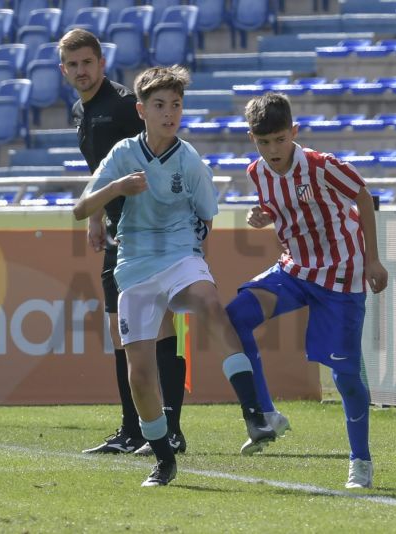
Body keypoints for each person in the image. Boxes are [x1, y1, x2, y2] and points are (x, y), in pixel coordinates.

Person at [73, 65, 276, 487]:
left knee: (210, 305)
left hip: (181, 255)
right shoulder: (123, 154)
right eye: (160, 105)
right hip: (134, 265)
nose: (170, 113)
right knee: (141, 372)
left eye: (176, 105)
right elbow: (81, 208)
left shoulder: (191, 161)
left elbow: (206, 217)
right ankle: (164, 460)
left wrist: (198, 261)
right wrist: (117, 190)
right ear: (141, 110)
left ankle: (254, 413)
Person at [225, 92, 388, 489]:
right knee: (234, 316)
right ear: (252, 139)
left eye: (280, 139)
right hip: (295, 269)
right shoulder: (256, 173)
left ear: (293, 133)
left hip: (340, 276)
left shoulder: (322, 166)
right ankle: (266, 414)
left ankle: (360, 461)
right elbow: (278, 212)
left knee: (345, 377)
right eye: (264, 142)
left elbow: (363, 196)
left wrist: (372, 259)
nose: (273, 149)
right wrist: (262, 216)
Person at [59, 29, 187, 456]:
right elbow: (105, 171)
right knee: (121, 329)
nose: (81, 70)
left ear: (101, 63)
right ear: (64, 70)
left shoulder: (121, 106)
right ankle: (134, 429)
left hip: (148, 230)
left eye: (87, 62)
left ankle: (170, 429)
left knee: (160, 322)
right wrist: (96, 215)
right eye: (73, 65)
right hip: (118, 229)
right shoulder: (82, 110)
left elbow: (161, 148)